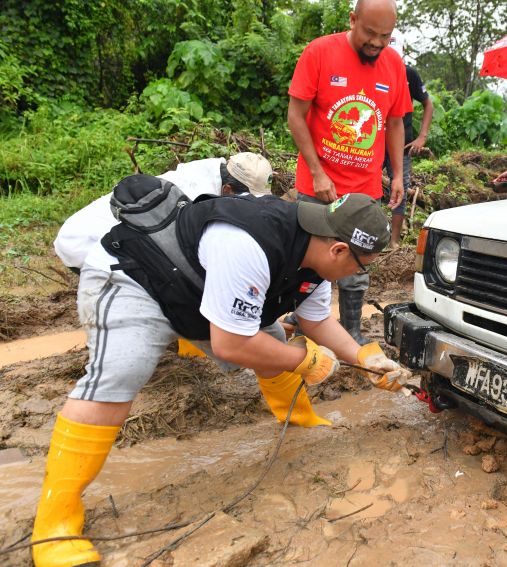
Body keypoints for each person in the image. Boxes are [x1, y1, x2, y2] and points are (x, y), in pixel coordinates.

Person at [31, 181, 410, 567]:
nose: (356, 275)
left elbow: (315, 321)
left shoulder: (315, 259)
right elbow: (232, 345)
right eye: (362, 267)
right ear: (339, 248)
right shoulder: (251, 243)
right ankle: (55, 522)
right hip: (138, 278)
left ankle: (298, 418)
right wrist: (304, 362)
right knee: (122, 371)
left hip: (199, 291)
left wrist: (364, 357)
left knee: (275, 336)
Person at [287, 0, 412, 344]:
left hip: (364, 190)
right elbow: (296, 116)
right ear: (353, 20)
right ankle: (303, 329)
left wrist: (398, 175)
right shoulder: (319, 52)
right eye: (369, 33)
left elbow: (395, 122)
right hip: (318, 185)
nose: (376, 43)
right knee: (309, 262)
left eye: (384, 36)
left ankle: (351, 333)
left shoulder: (394, 65)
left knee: (356, 266)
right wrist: (317, 172)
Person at [54, 152, 274, 272]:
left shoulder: (214, 171)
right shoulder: (192, 197)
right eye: (243, 198)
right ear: (227, 189)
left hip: (85, 235)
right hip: (85, 244)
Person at [382, 34, 434, 248]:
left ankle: (394, 240)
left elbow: (428, 103)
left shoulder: (409, 73)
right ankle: (369, 236)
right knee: (368, 189)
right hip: (373, 142)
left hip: (401, 143)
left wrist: (422, 136)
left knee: (400, 188)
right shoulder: (374, 68)